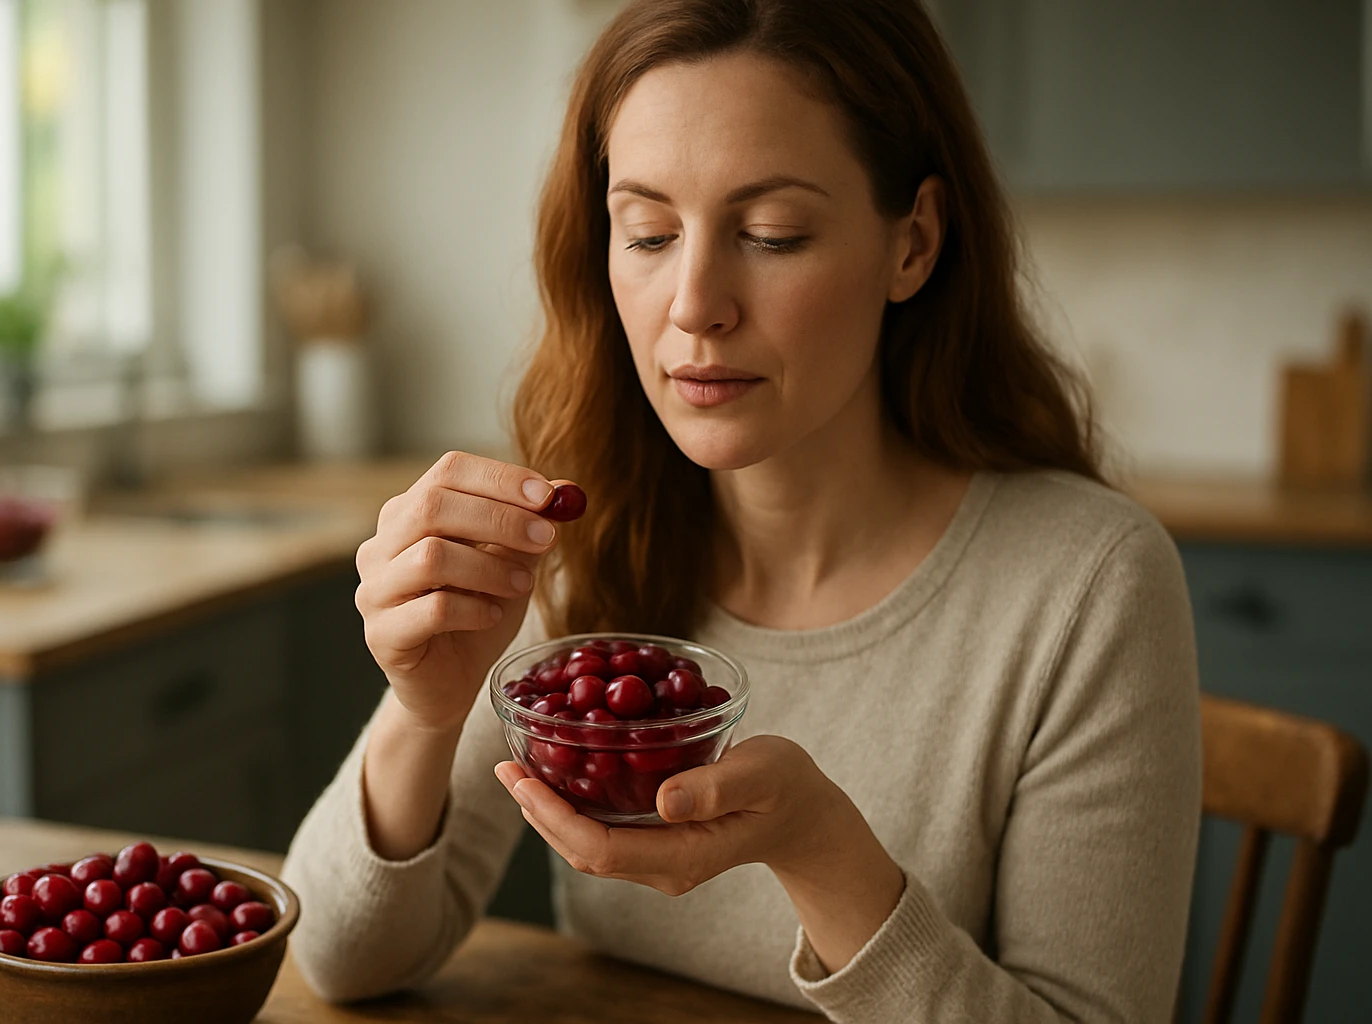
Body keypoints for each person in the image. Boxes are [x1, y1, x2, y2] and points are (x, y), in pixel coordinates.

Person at [280, 1, 1201, 1020]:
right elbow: (338, 958)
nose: (694, 303)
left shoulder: (1088, 585)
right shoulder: (587, 540)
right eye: (648, 232)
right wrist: (424, 710)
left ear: (914, 243)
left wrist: (821, 857)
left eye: (772, 233)